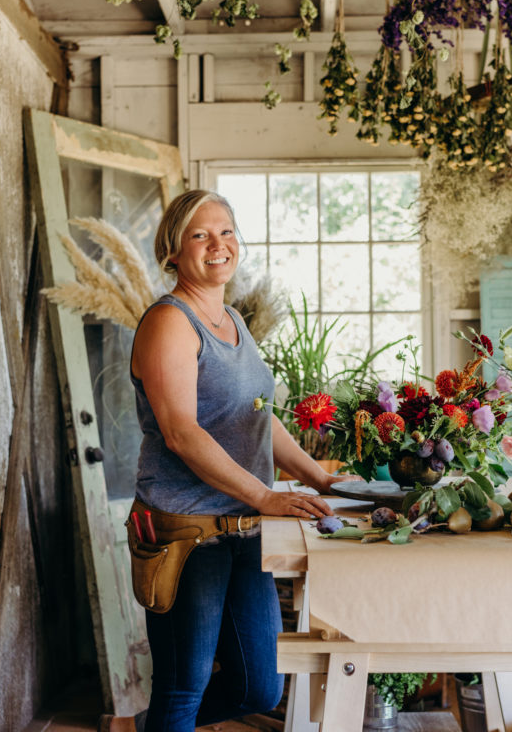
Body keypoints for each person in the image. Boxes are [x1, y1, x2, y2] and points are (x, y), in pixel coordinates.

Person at [102, 189, 359, 732]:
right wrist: (267, 495)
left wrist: (321, 478)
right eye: (201, 234)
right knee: (183, 684)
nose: (218, 245)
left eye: (226, 232)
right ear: (173, 250)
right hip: (186, 533)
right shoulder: (169, 323)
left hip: (244, 530)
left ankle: (147, 727)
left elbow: (258, 417)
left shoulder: (234, 323)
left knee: (257, 686)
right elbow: (181, 434)